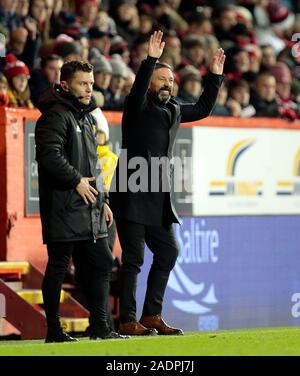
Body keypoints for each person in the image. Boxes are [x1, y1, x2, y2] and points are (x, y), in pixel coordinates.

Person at [110, 31, 225, 336]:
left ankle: (151, 316)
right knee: (133, 259)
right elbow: (136, 92)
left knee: (168, 253)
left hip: (157, 198)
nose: (167, 85)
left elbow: (201, 110)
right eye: (161, 80)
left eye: (170, 81)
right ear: (149, 82)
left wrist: (214, 77)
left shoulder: (173, 110)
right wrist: (149, 60)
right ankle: (128, 320)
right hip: (131, 192)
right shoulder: (136, 107)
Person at [35, 60, 128, 342]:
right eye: (83, 84)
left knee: (102, 262)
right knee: (59, 266)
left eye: (90, 84)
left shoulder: (85, 117)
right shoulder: (54, 116)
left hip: (89, 207)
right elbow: (49, 156)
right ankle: (54, 330)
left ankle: (100, 326)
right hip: (63, 207)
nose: (90, 89)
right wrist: (76, 181)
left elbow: (95, 164)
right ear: (65, 85)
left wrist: (104, 200)